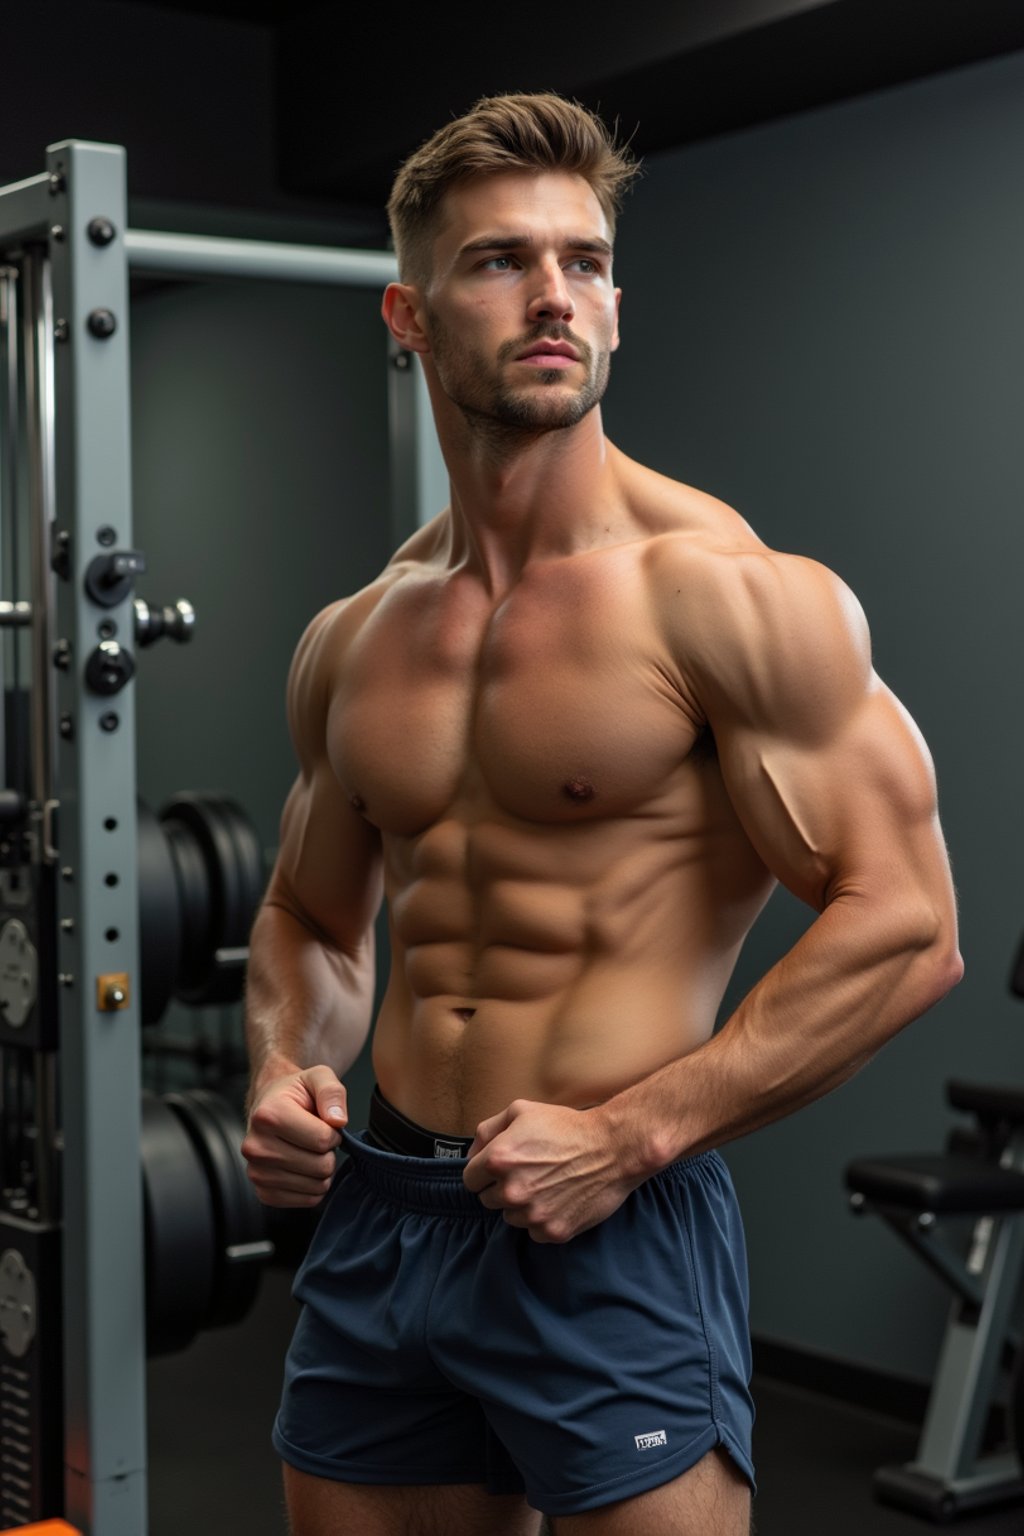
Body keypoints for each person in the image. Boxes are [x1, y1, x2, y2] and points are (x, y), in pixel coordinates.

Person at [241, 91, 963, 1536]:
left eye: (584, 259)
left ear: (619, 307)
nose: (554, 293)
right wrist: (280, 1069)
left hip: (613, 1215)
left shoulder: (730, 595)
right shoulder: (355, 636)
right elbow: (313, 918)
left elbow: (909, 927)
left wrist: (632, 1137)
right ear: (410, 313)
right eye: (502, 261)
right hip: (383, 1216)